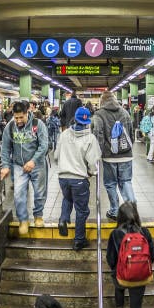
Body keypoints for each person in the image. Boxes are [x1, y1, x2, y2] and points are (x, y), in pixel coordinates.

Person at [107, 202, 154, 308]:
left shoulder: (116, 234)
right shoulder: (145, 232)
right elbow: (152, 255)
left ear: (120, 217)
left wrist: (117, 269)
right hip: (140, 277)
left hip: (121, 275)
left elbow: (110, 258)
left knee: (118, 286)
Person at [0, 100, 49, 234]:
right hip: (19, 165)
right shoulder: (10, 127)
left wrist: (33, 161)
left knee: (39, 192)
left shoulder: (38, 125)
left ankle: (38, 216)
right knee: (18, 194)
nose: (19, 120)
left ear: (27, 113)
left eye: (21, 117)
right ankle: (23, 220)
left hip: (37, 164)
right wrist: (5, 165)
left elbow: (44, 145)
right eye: (16, 117)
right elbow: (5, 148)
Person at [55, 107, 100, 250]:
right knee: (82, 210)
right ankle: (79, 239)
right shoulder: (90, 138)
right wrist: (92, 173)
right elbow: (93, 162)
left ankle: (63, 219)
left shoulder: (64, 134)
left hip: (63, 177)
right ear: (88, 121)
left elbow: (56, 156)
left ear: (75, 118)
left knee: (67, 199)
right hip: (79, 179)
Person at [92, 90, 136, 221]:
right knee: (126, 181)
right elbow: (131, 133)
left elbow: (98, 134)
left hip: (109, 156)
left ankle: (115, 211)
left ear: (102, 101)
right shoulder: (125, 112)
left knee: (111, 183)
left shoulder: (99, 114)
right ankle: (132, 211)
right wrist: (128, 148)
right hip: (126, 155)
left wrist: (97, 153)